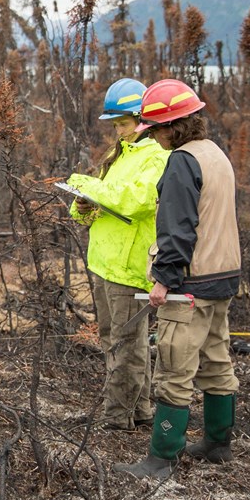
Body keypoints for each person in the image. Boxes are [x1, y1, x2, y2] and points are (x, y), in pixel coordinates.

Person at [113, 79, 240, 480]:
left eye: (157, 129)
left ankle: (160, 459)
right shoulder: (215, 154)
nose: (156, 137)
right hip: (223, 279)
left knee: (173, 370)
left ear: (173, 126)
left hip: (190, 284)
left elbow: (177, 230)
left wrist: (163, 280)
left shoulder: (182, 162)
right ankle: (219, 445)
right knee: (217, 362)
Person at [67, 78, 170, 430]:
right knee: (113, 338)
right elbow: (97, 205)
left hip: (130, 265)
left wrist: (92, 187)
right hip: (104, 263)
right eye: (115, 125)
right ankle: (140, 411)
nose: (119, 131)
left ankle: (117, 417)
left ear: (142, 119)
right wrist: (83, 204)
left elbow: (139, 199)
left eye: (123, 124)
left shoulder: (158, 157)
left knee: (128, 343)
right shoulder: (118, 155)